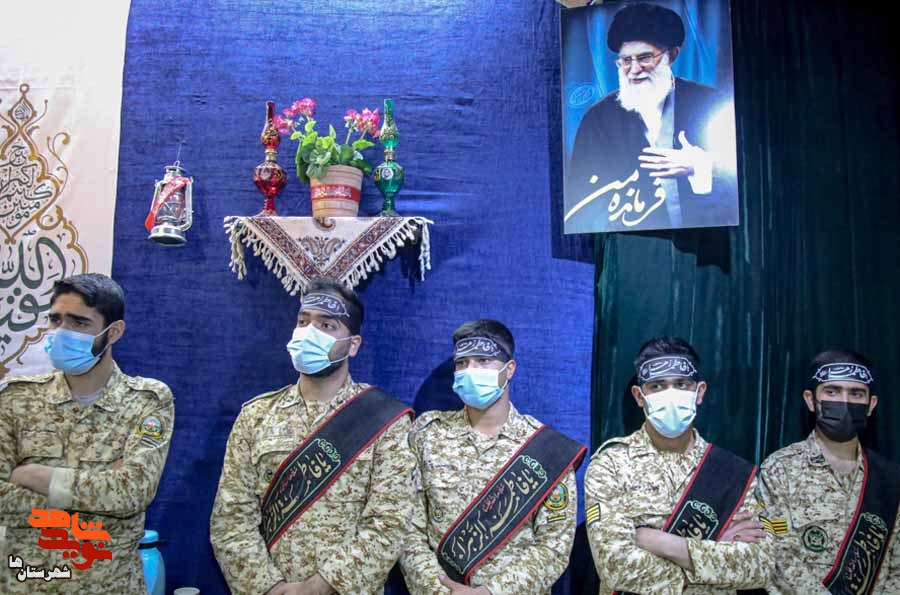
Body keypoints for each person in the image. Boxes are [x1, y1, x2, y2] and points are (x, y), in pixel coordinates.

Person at [210, 279, 415, 595]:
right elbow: (231, 521)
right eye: (303, 321)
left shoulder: (385, 420)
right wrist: (270, 588)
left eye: (327, 325)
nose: (309, 332)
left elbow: (389, 524)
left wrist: (316, 588)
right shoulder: (256, 416)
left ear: (353, 344)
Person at [0, 273, 175, 593]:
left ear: (114, 332)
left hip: (109, 586)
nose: (62, 331)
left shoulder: (147, 400)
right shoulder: (16, 397)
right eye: (56, 319)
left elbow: (132, 492)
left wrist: (34, 475)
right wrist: (99, 495)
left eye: (79, 322)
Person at [401, 319, 585, 594]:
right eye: (462, 363)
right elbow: (407, 527)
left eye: (483, 361)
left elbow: (553, 548)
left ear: (509, 369)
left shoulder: (547, 449)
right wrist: (438, 590)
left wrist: (492, 592)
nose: (470, 370)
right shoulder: (426, 434)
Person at [584, 336, 773, 594]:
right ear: (639, 396)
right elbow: (615, 567)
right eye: (657, 386)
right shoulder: (610, 465)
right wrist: (716, 548)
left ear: (699, 392)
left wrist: (661, 543)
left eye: (682, 384)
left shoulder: (734, 473)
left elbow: (762, 566)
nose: (670, 394)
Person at [565, 2, 736, 233]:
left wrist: (700, 166)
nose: (635, 69)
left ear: (672, 55)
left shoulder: (710, 103)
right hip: (633, 244)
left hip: (706, 243)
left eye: (645, 58)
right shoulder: (597, 119)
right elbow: (583, 202)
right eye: (626, 61)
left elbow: (735, 184)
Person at [759, 350, 900, 594]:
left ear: (871, 404)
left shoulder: (890, 479)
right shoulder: (779, 470)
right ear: (811, 400)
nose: (844, 402)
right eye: (832, 392)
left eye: (856, 394)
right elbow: (776, 551)